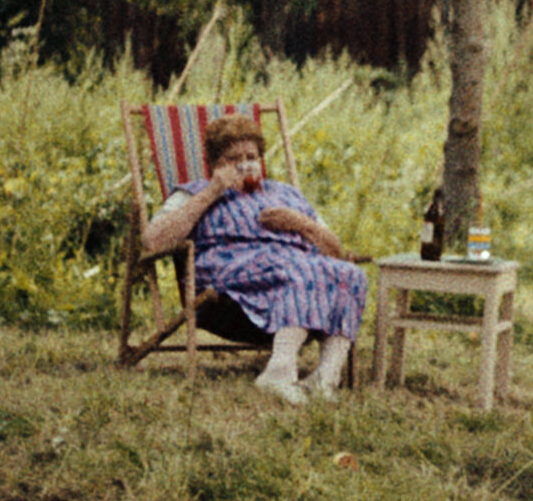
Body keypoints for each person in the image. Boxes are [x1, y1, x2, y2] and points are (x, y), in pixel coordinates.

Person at [140, 112, 367, 404]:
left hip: (291, 275)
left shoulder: (287, 194)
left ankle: (325, 379)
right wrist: (213, 191)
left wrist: (302, 224)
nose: (245, 163)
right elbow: (153, 240)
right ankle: (280, 372)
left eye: (252, 156)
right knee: (299, 268)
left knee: (351, 274)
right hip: (228, 281)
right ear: (216, 164)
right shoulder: (194, 192)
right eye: (234, 158)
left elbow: (336, 253)